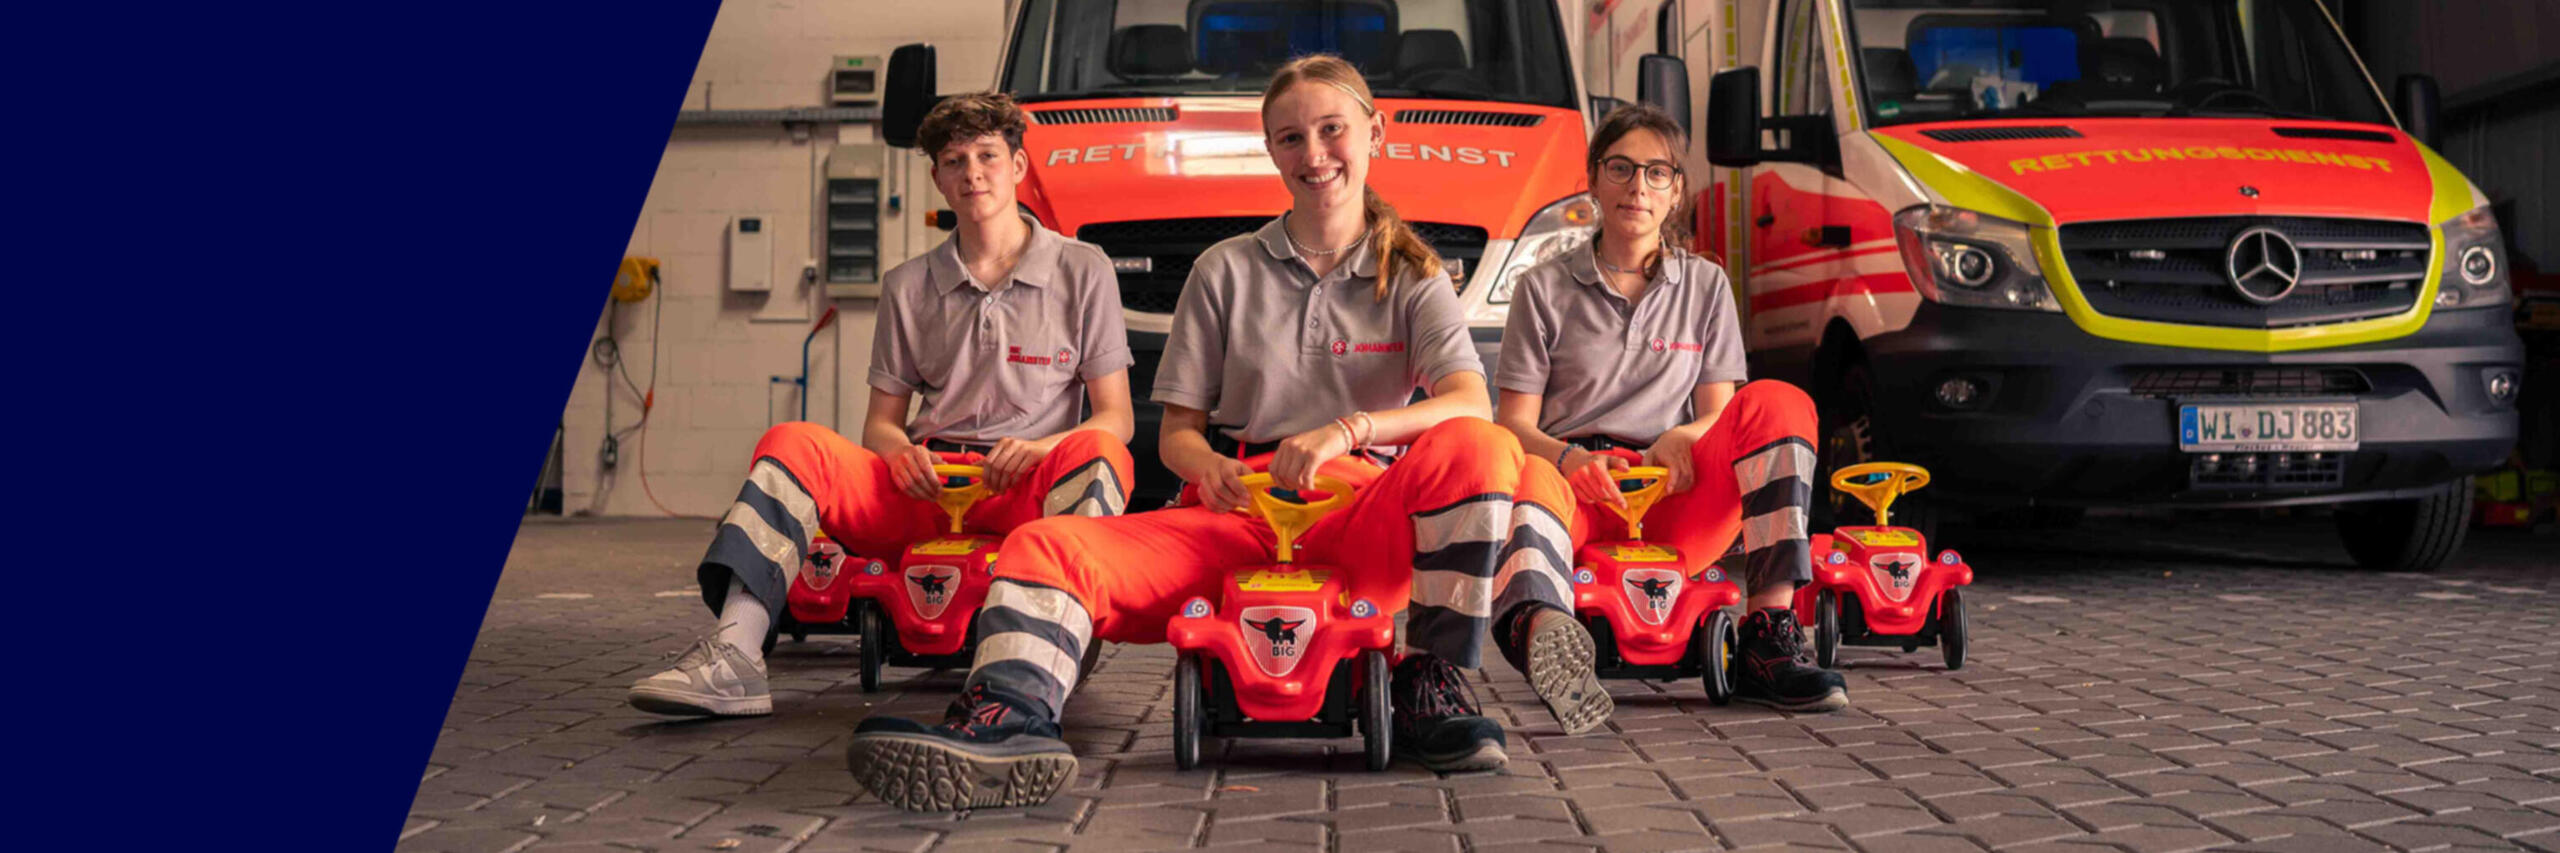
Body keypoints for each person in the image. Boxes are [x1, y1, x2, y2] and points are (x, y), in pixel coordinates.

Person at [842, 55, 1605, 812]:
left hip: (1362, 521)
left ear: (1374, 132)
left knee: (1482, 445)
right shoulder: (1222, 270)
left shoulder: (1414, 274)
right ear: (1271, 150)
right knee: (1046, 544)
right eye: (1291, 138)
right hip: (1233, 511)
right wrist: (1205, 465)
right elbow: (1176, 434)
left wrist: (1349, 431)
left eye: (1332, 130)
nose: (1314, 154)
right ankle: (1008, 717)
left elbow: (1468, 400)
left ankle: (1430, 678)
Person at [625, 92, 1138, 717]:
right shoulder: (908, 285)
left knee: (1102, 451)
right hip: (926, 487)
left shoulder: (1084, 269)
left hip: (1025, 491)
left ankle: (1036, 673)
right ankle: (734, 657)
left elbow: (1116, 417)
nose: (973, 173)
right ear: (938, 179)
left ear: (1018, 166)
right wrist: (900, 455)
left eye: (987, 156)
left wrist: (1038, 450)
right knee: (792, 442)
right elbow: (881, 425)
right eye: (954, 161)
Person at [1493, 104, 1846, 712]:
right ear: (1593, 178)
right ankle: (1542, 631)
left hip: (1673, 493)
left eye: (1657, 172)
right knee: (1522, 471)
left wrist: (1685, 436)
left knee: (1779, 402)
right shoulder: (1541, 287)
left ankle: (1769, 635)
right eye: (1621, 168)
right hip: (1578, 495)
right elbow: (1514, 424)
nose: (1638, 187)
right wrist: (1571, 459)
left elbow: (1721, 413)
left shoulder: (1706, 285)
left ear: (1676, 190)